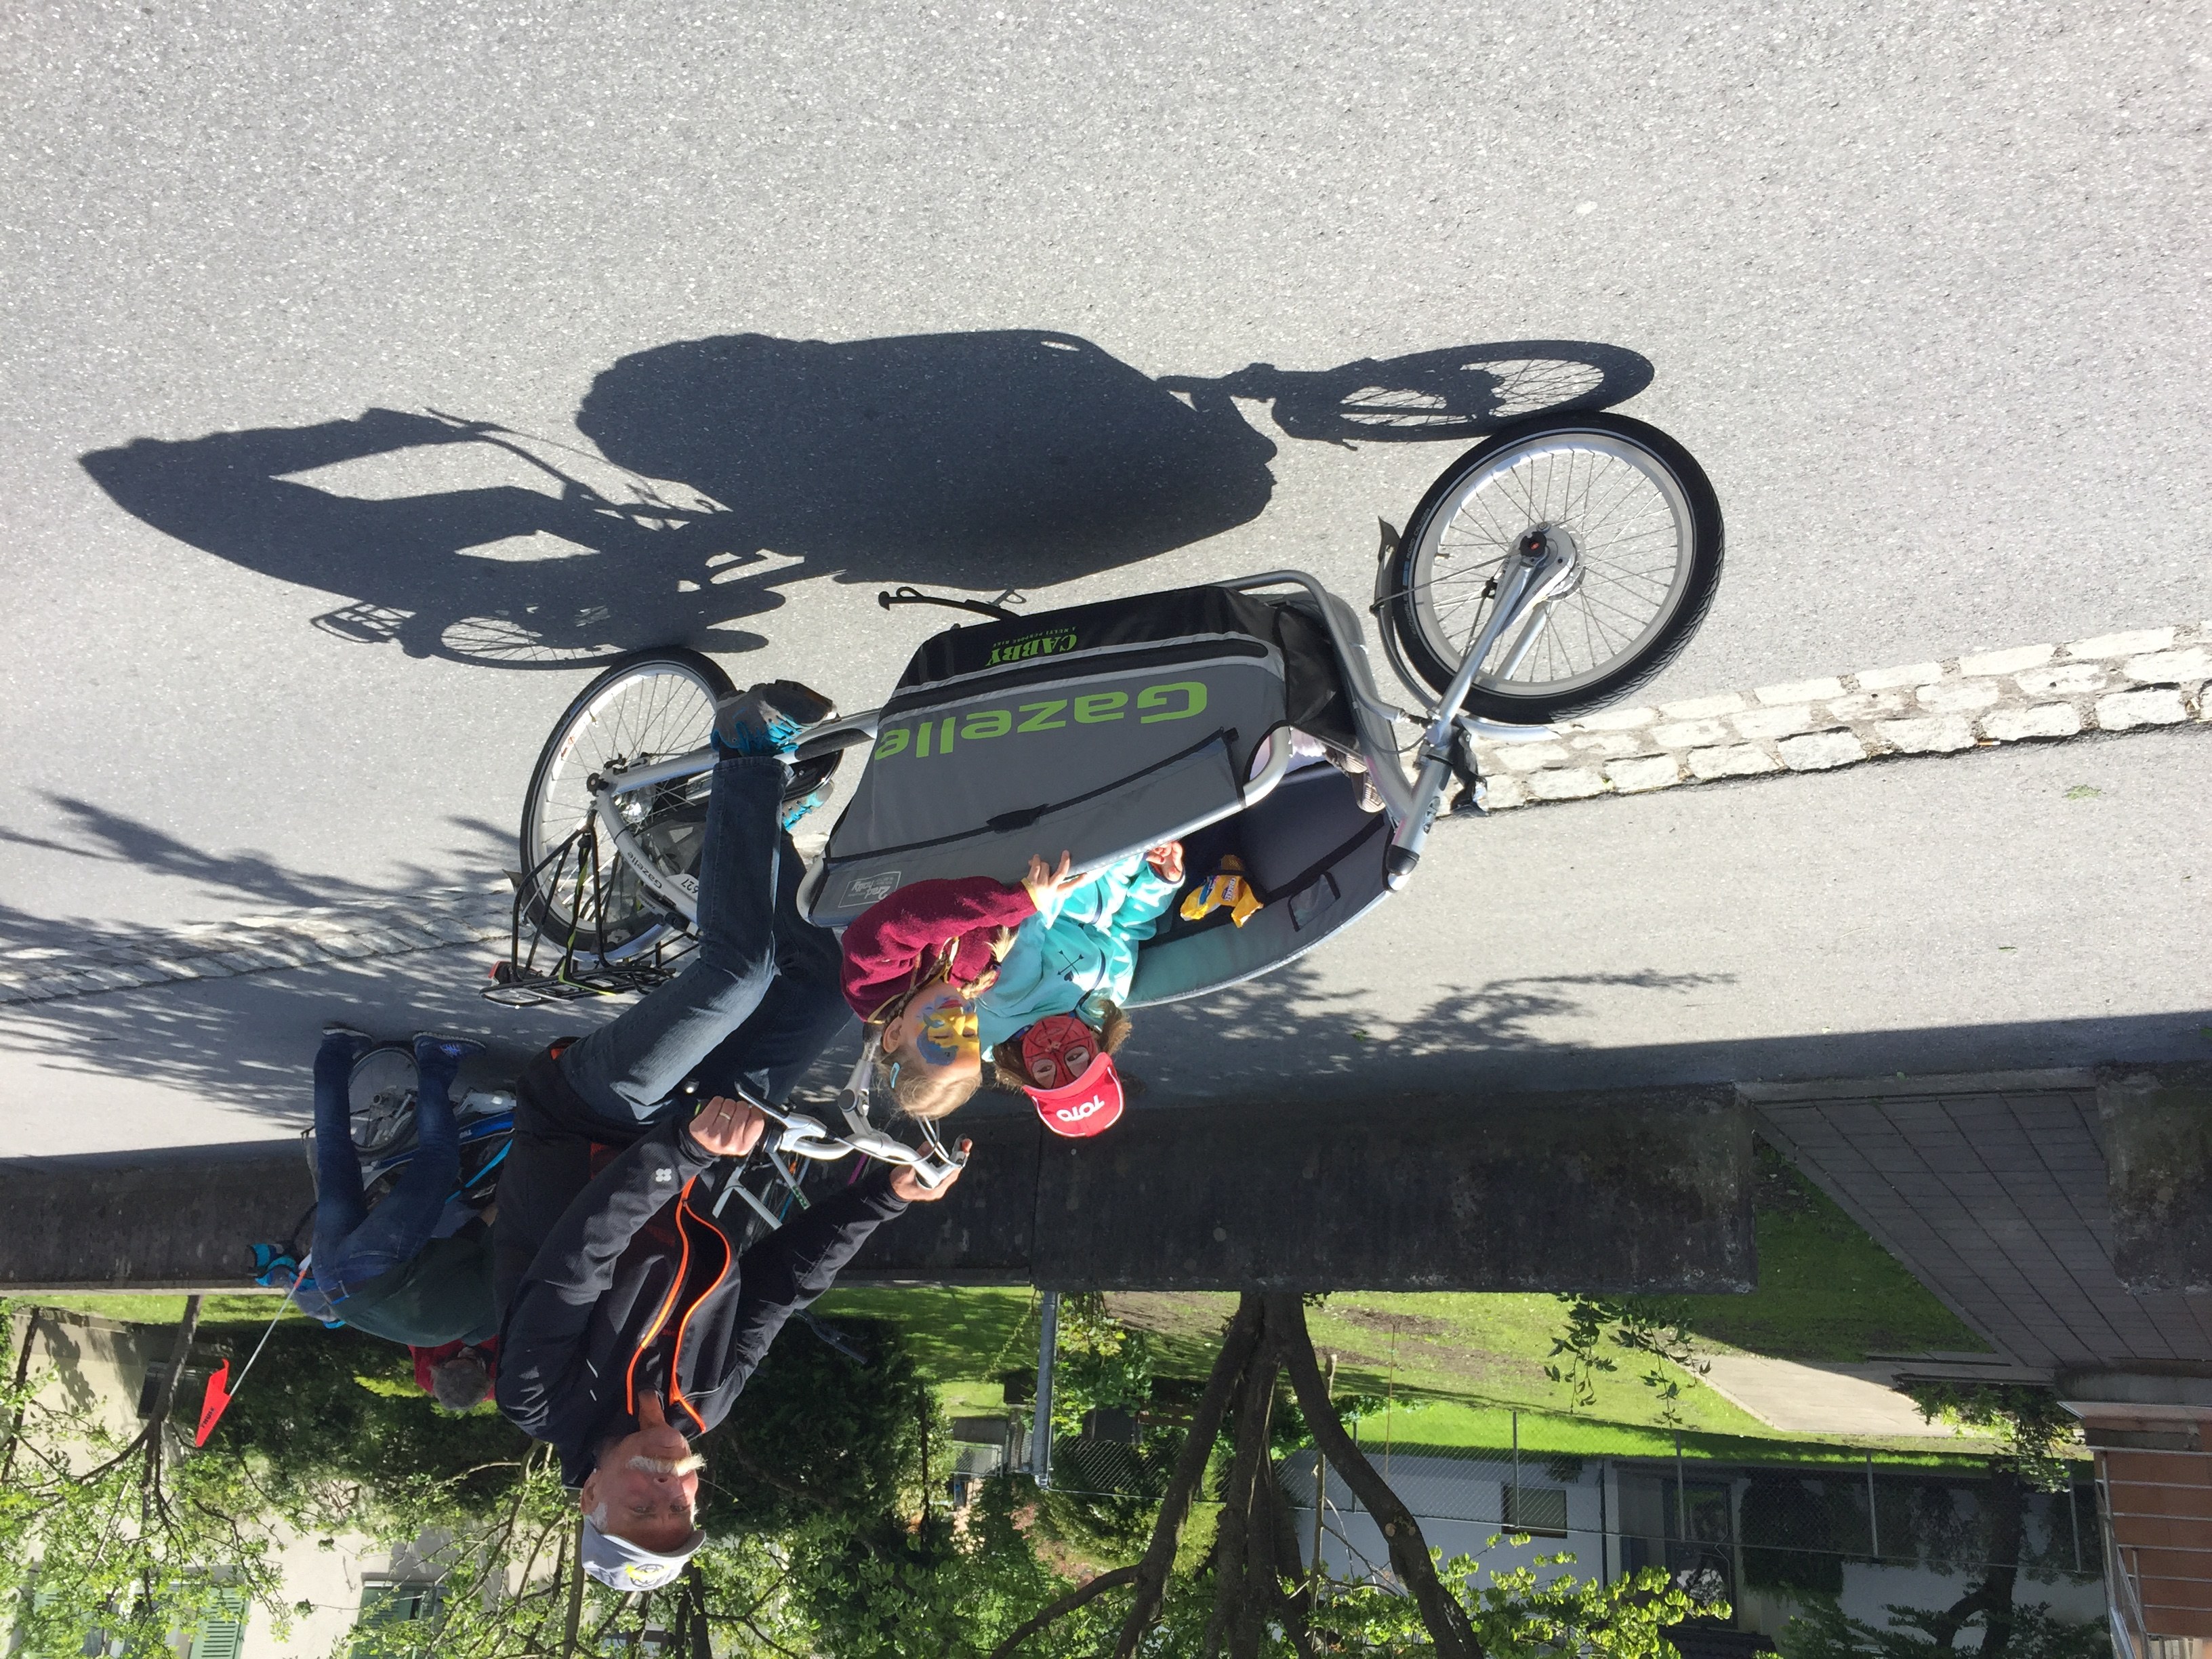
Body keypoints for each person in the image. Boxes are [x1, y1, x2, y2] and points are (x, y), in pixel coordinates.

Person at [495, 680, 962, 1589]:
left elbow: (577, 1261)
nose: (668, 1490)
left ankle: (747, 746)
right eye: (681, 1510)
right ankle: (735, 822)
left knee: (737, 975)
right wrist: (883, 1198)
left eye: (642, 1509)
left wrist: (684, 1152)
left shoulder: (542, 1399)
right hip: (695, 1145)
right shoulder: (703, 1402)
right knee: (823, 983)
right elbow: (781, 1288)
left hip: (592, 1121)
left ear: (589, 1498)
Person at [252, 1028, 501, 1407]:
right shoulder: (433, 1344)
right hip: (332, 1283)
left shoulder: (473, 1322)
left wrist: (505, 1206)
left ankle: (436, 1058)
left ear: (481, 1369)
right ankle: (335, 1049)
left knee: (438, 1157)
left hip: (375, 1268)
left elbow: (475, 1242)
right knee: (335, 1153)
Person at [836, 852, 1091, 1120]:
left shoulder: (871, 982)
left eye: (943, 1035)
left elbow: (914, 914)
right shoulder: (973, 980)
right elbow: (1005, 926)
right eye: (970, 1035)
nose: (961, 1019)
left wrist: (1016, 902)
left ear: (895, 1034)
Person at [977, 841, 1187, 1139]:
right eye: (1076, 1057)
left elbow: (1031, 917)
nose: (1054, 1050)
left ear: (1026, 1072)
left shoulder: (1008, 1002)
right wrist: (1158, 879)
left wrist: (1106, 860)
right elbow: (1127, 929)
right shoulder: (1108, 1001)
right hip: (1116, 866)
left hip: (1062, 860)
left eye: (1045, 1070)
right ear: (1099, 1049)